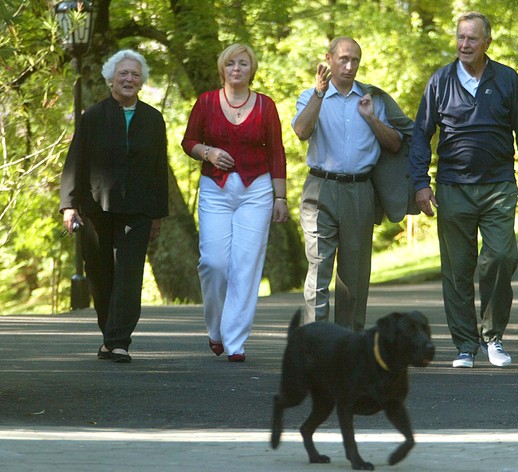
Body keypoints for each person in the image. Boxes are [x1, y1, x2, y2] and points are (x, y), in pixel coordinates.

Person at [408, 12, 518, 368]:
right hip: (453, 187)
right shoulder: (440, 81)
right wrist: (421, 184)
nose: (464, 45)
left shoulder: (507, 80)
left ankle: (493, 337)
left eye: (472, 39)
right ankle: (465, 345)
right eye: (460, 38)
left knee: (501, 257)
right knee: (457, 269)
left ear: (487, 43)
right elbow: (421, 135)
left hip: (498, 186)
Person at [59, 49, 169, 364]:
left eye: (135, 74)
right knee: (100, 274)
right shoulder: (93, 116)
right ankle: (109, 334)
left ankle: (119, 341)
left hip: (140, 208)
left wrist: (158, 213)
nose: (129, 79)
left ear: (142, 81)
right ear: (111, 79)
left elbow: (159, 167)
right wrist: (69, 205)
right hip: (95, 206)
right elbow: (74, 163)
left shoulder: (153, 119)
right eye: (123, 74)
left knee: (130, 274)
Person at [181, 44, 287, 362]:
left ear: (252, 70)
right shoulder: (207, 102)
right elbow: (188, 141)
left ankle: (236, 341)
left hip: (257, 190)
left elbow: (277, 152)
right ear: (222, 69)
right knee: (213, 264)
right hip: (215, 188)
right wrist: (208, 152)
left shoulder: (266, 106)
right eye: (231, 64)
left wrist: (281, 197)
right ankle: (216, 329)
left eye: (243, 64)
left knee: (246, 266)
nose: (237, 69)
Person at [293, 36, 403, 332]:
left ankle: (348, 342)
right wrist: (318, 93)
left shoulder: (373, 99)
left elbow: (395, 143)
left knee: (353, 275)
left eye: (355, 59)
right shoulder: (310, 95)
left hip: (359, 190)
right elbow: (301, 131)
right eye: (343, 58)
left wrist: (371, 119)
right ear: (328, 59)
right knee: (319, 266)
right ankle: (315, 340)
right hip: (320, 189)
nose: (350, 65)